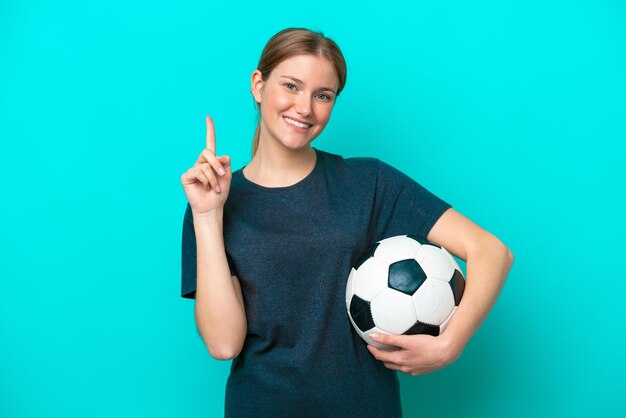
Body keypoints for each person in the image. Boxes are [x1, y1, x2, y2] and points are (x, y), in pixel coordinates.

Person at [179, 27, 514, 418]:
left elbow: (492, 252)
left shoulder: (367, 183)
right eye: (291, 85)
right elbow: (224, 345)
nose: (304, 108)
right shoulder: (212, 201)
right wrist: (206, 215)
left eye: (323, 95)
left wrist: (450, 344)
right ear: (258, 84)